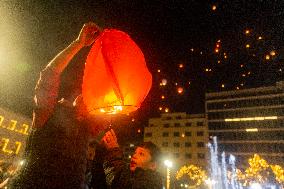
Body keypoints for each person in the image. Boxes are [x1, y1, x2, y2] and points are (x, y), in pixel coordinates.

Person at [9, 22, 107, 189]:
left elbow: (111, 108)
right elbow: (50, 74)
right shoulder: (47, 113)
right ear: (62, 102)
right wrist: (78, 44)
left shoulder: (87, 128)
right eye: (81, 93)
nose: (85, 94)